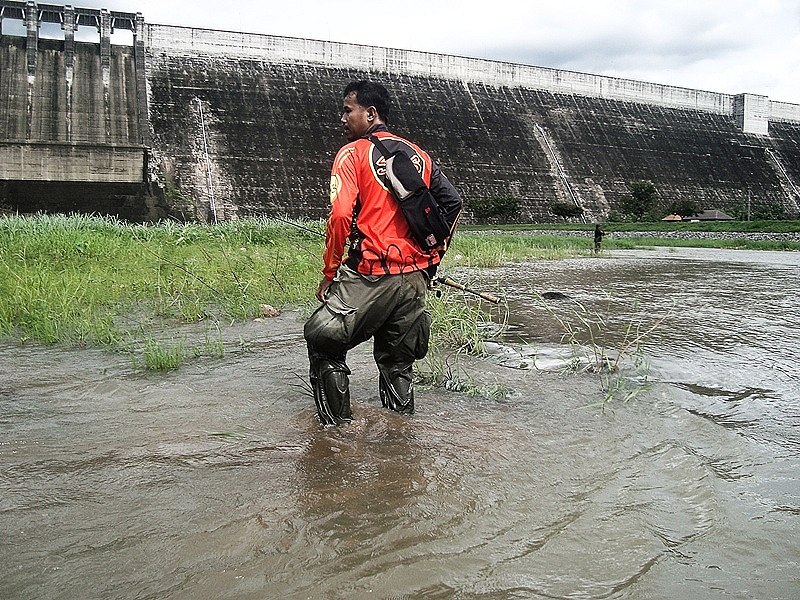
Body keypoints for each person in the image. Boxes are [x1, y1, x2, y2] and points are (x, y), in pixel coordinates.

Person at [303, 80, 463, 426]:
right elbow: (453, 204)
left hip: (371, 274)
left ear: (370, 113)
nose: (342, 119)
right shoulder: (418, 155)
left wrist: (330, 273)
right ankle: (401, 436)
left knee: (323, 338)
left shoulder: (351, 153)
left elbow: (342, 215)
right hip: (414, 281)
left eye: (348, 110)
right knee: (397, 363)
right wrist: (431, 263)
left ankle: (335, 439)